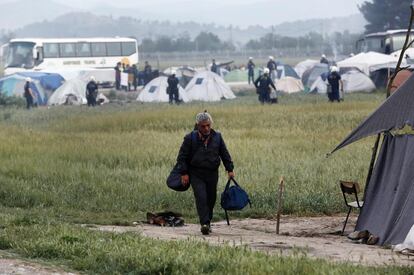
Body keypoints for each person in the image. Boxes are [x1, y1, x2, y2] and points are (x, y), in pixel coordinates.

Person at [177, 112, 235, 235]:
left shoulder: (217, 137)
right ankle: (204, 223)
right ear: (197, 126)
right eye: (203, 126)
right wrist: (184, 173)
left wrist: (230, 169)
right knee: (201, 197)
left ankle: (207, 222)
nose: (206, 128)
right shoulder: (190, 138)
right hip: (196, 173)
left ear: (211, 124)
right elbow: (182, 157)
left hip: (212, 173)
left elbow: (224, 154)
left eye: (208, 125)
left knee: (211, 198)